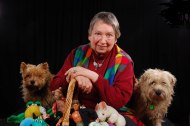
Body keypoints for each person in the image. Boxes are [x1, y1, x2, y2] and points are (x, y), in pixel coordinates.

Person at [50, 11, 142, 125]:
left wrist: (92, 75)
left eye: (109, 35)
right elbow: (54, 86)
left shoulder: (125, 61)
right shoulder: (77, 53)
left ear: (116, 38)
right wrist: (76, 76)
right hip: (77, 110)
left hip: (113, 115)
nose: (103, 41)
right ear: (90, 35)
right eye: (98, 34)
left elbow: (118, 101)